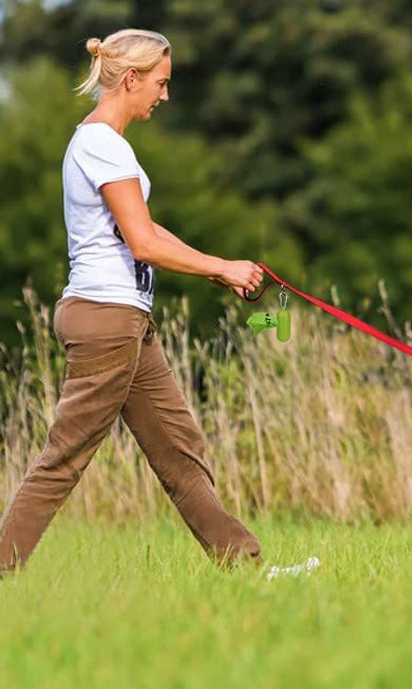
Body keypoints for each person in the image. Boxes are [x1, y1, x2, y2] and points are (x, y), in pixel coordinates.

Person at [0, 29, 318, 579]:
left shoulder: (99, 143)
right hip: (107, 320)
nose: (164, 96)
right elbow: (143, 244)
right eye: (161, 83)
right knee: (65, 458)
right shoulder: (103, 144)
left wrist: (222, 268)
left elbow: (145, 230)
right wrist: (221, 267)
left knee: (178, 449)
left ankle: (243, 567)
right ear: (131, 79)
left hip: (125, 320)